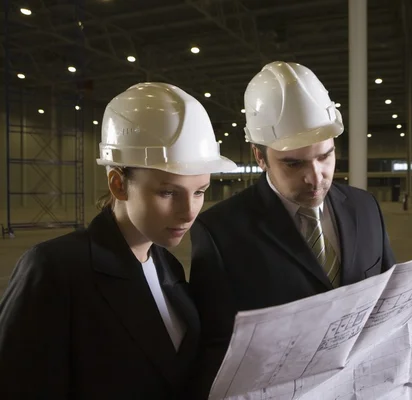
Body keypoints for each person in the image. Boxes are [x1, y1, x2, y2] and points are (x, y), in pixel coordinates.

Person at [187, 61, 412, 397]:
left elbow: (392, 299)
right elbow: (216, 347)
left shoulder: (364, 208)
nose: (315, 176)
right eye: (294, 163)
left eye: (325, 156)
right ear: (260, 156)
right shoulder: (220, 231)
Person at [0, 82, 237, 398]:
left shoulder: (168, 266)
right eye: (168, 192)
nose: (188, 213)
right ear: (118, 184)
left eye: (199, 192)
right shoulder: (55, 269)